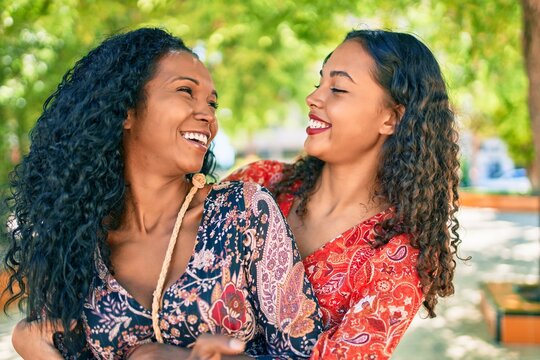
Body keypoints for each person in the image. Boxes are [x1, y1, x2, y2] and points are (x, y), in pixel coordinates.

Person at [4, 27, 323, 359]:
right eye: (186, 91)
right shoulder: (76, 240)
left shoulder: (242, 214)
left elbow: (309, 353)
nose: (208, 115)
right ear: (125, 110)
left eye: (212, 103)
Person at [226, 29, 463, 359]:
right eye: (319, 83)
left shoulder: (397, 254)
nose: (313, 98)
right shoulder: (260, 182)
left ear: (391, 117)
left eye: (337, 88)